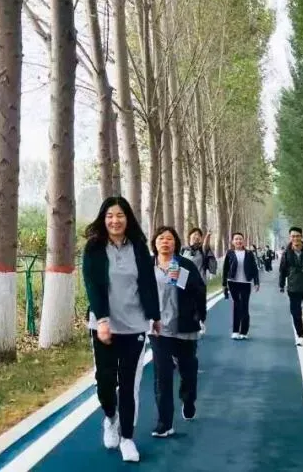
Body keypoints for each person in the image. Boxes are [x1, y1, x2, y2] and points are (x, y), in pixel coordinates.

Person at [82, 196, 161, 463]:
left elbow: (148, 283)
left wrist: (155, 316)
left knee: (129, 385)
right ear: (103, 219)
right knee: (105, 382)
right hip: (103, 326)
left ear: (128, 219)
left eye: (120, 215)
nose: (115, 221)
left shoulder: (138, 247)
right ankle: (110, 417)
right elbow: (92, 285)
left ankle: (127, 437)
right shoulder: (94, 247)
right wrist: (103, 320)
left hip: (134, 326)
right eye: (109, 216)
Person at [149, 225, 207, 438]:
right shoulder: (148, 265)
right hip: (158, 329)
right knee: (162, 375)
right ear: (154, 243)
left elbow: (198, 291)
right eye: (161, 239)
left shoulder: (184, 264)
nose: (165, 242)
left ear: (176, 243)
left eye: (169, 239)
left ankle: (188, 399)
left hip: (184, 327)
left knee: (187, 370)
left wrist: (201, 316)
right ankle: (164, 423)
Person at [222, 232, 260, 340]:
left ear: (243, 241)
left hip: (245, 283)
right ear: (233, 241)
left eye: (240, 239)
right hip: (233, 282)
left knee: (244, 306)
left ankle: (244, 331)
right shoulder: (230, 253)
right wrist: (224, 284)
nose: (238, 241)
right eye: (236, 239)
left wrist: (256, 282)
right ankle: (235, 331)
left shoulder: (249, 253)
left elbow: (254, 268)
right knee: (236, 305)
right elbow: (225, 269)